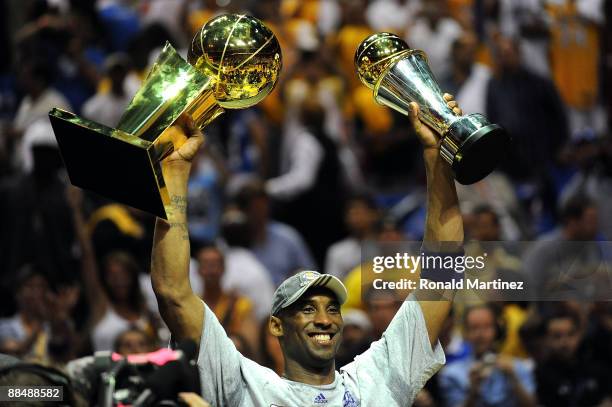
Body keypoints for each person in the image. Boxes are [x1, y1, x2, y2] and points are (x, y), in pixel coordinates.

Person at [150, 96, 464, 406]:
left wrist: (437, 156)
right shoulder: (247, 386)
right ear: (276, 325)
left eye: (331, 309)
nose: (325, 319)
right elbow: (173, 293)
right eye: (308, 309)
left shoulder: (378, 377)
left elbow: (442, 277)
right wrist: (175, 175)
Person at [439, 304, 536, 407]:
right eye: (474, 328)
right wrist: (473, 391)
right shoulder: (451, 374)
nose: (480, 334)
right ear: (465, 333)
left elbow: (532, 404)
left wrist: (513, 378)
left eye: (487, 327)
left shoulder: (517, 366)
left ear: (497, 331)